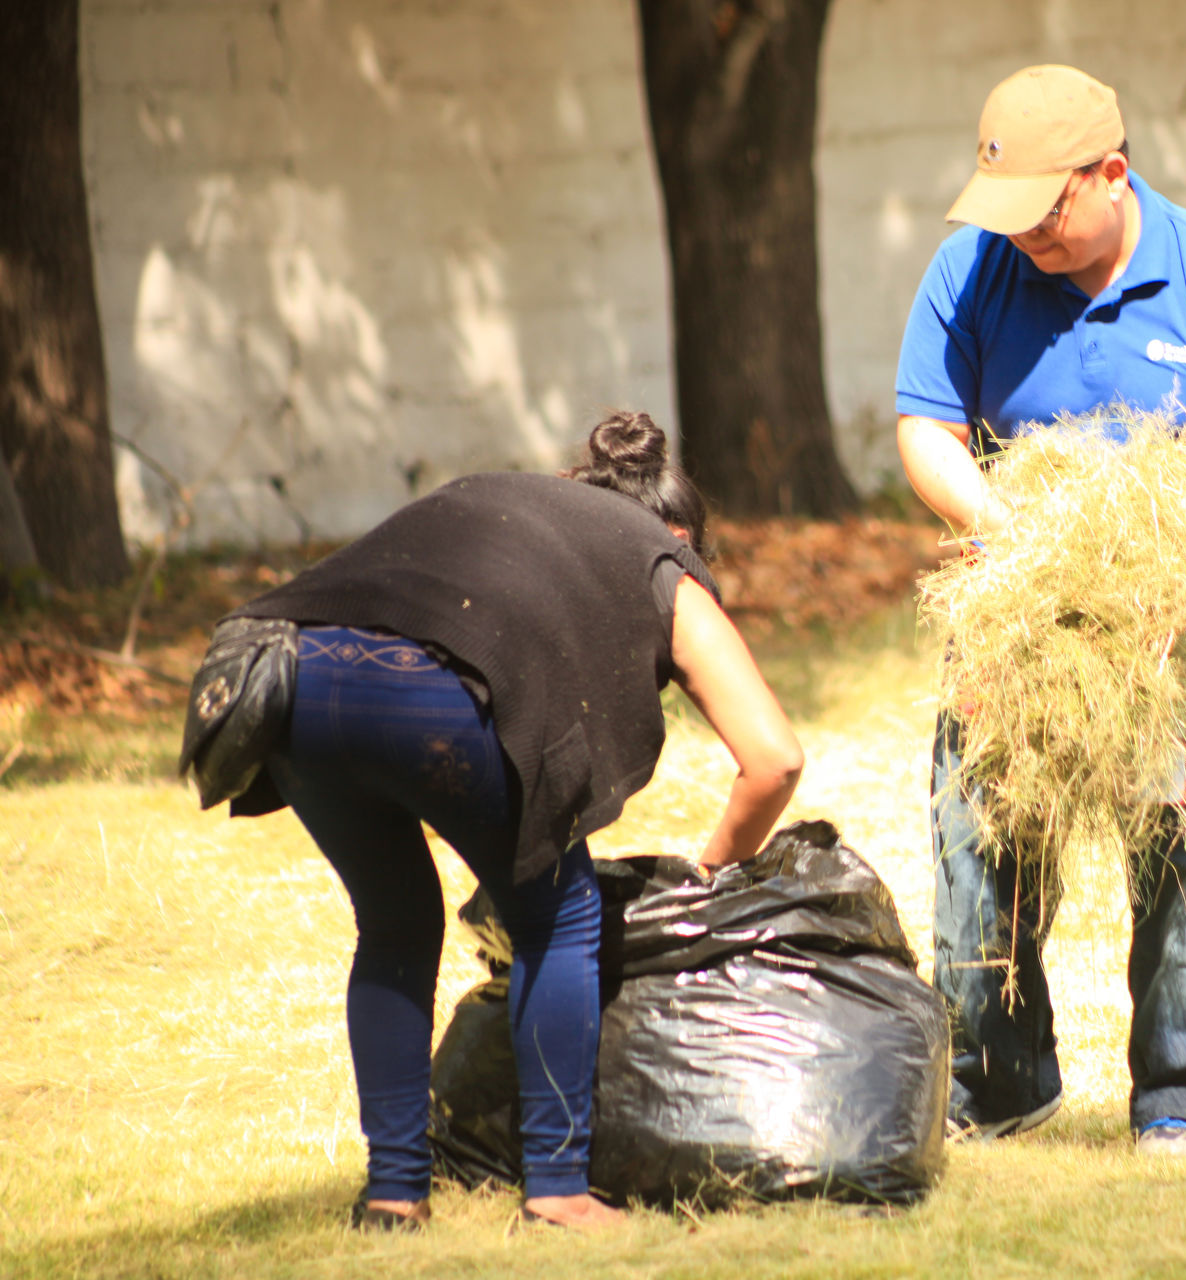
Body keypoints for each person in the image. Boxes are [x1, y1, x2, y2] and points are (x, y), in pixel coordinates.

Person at [201, 411, 804, 1229]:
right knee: (560, 915)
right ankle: (557, 1190)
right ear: (677, 532)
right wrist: (707, 876)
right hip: (426, 692)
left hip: (285, 678)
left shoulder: (512, 497)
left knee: (394, 923)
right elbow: (774, 759)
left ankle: (394, 1196)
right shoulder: (663, 558)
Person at [895, 65, 1186, 1157]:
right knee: (976, 832)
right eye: (1008, 213)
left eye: (1045, 210)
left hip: (1177, 607)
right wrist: (1005, 535)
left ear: (1112, 175)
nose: (1024, 236)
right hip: (1018, 594)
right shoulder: (972, 268)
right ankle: (997, 1079)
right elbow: (925, 428)